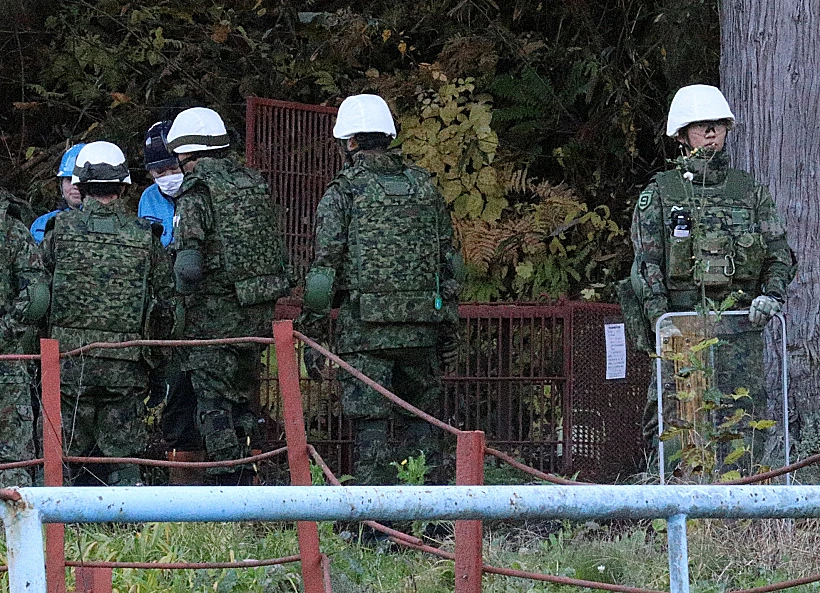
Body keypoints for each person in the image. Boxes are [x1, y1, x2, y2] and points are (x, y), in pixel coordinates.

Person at [627, 84, 795, 474]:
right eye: (701, 126)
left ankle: (743, 514)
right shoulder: (662, 193)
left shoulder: (750, 192)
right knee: (674, 419)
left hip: (740, 330)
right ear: (682, 134)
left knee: (743, 415)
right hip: (680, 331)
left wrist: (770, 296)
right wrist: (660, 322)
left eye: (718, 125)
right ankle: (674, 510)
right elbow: (646, 265)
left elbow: (778, 254)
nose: (711, 133)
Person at [298, 94, 462, 485]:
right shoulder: (424, 187)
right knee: (422, 423)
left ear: (349, 142)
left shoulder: (344, 191)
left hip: (366, 332)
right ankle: (428, 521)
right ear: (388, 135)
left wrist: (312, 336)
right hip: (422, 329)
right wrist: (449, 332)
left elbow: (324, 273)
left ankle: (372, 526)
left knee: (371, 426)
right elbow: (450, 264)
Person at [166, 107, 291, 485]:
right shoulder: (253, 183)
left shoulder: (197, 192)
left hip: (213, 316)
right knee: (241, 398)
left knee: (214, 403)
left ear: (187, 154)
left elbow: (188, 268)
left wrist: (179, 303)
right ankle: (248, 481)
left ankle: (227, 485)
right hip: (256, 311)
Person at [41, 141, 176, 486]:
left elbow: (38, 297)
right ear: (124, 186)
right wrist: (156, 366)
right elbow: (165, 306)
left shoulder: (59, 234)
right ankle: (131, 535)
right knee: (124, 461)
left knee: (59, 459)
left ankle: (53, 533)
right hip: (126, 368)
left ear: (81, 185)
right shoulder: (145, 238)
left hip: (67, 367)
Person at [138, 120, 201, 464]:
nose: (165, 176)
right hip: (168, 301)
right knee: (175, 384)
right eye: (157, 171)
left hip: (203, 299)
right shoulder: (149, 199)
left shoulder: (202, 192)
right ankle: (180, 460)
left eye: (170, 168)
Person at [0, 191, 50, 487]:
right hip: (5, 357)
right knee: (13, 458)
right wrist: (7, 331)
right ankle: (16, 529)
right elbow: (36, 297)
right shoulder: (11, 228)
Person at [30, 143, 86, 244]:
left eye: (81, 181)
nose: (75, 186)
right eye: (70, 179)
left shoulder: (109, 223)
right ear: (61, 185)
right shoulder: (41, 224)